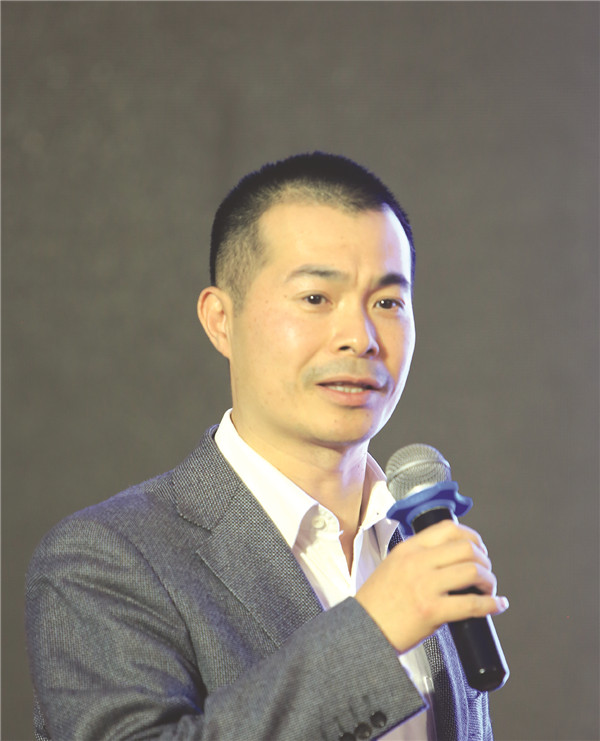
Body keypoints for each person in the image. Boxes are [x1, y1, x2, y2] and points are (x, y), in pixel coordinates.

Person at [26, 152, 508, 740]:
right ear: (220, 320)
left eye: (387, 303)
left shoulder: (420, 541)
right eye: (316, 299)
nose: (360, 337)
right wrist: (374, 630)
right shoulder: (106, 558)